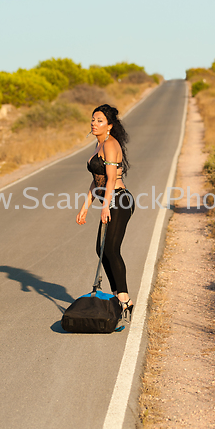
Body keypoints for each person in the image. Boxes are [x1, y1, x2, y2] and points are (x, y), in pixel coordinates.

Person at [76, 104, 135, 326]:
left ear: (109, 125)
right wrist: (86, 206)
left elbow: (110, 179)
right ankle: (117, 294)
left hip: (120, 200)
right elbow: (97, 179)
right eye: (93, 119)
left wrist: (105, 205)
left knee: (111, 249)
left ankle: (124, 297)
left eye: (99, 120)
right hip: (110, 201)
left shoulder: (110, 145)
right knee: (101, 249)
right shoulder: (98, 145)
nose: (94, 123)